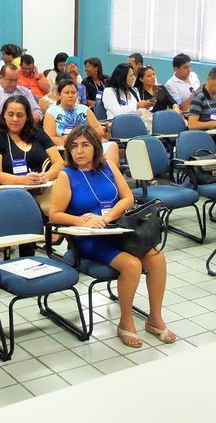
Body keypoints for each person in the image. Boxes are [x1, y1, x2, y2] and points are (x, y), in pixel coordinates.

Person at [49, 124, 175, 347]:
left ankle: (155, 318)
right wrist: (83, 220)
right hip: (89, 239)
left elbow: (128, 198)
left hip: (118, 230)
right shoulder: (66, 176)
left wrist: (107, 218)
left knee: (157, 258)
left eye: (85, 145)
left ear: (95, 147)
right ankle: (125, 322)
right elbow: (55, 214)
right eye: (74, 146)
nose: (79, 151)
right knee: (132, 265)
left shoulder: (108, 167)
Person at [0, 95, 63, 186]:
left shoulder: (38, 133)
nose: (15, 119)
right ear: (4, 115)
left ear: (27, 117)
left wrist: (44, 177)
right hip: (13, 191)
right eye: (10, 114)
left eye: (20, 115)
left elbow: (59, 162)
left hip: (43, 186)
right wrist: (23, 180)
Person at [44, 78, 106, 144]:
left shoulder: (84, 109)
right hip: (63, 148)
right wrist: (72, 143)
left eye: (73, 92)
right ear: (59, 95)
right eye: (67, 93)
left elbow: (100, 130)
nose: (70, 95)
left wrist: (78, 137)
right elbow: (49, 138)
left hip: (87, 144)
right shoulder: (51, 112)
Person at [0, 64, 42, 129]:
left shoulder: (25, 92)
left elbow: (37, 113)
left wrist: (23, 125)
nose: (13, 83)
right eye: (10, 80)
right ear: (0, 78)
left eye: (16, 80)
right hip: (3, 132)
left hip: (26, 130)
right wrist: (12, 130)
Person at [187, 65, 216, 130]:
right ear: (209, 79)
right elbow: (192, 125)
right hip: (206, 136)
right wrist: (215, 123)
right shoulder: (198, 97)